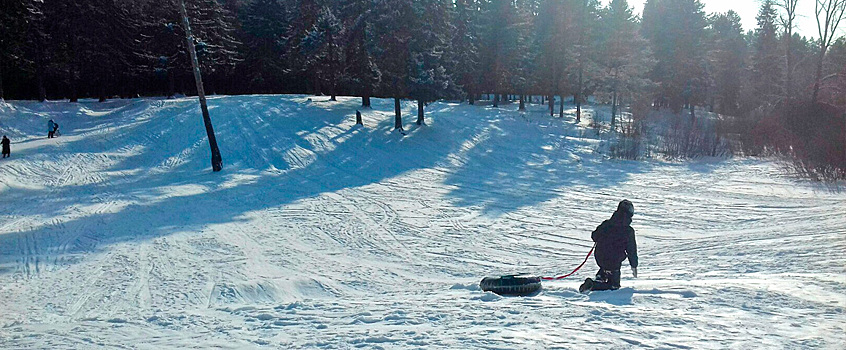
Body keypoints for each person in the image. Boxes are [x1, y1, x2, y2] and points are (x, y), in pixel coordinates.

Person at [579, 199, 638, 292]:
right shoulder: (628, 231)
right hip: (613, 262)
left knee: (606, 264)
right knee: (614, 286)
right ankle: (593, 285)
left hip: (599, 257)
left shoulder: (607, 223)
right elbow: (632, 250)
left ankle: (601, 275)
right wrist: (634, 265)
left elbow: (594, 236)